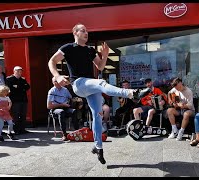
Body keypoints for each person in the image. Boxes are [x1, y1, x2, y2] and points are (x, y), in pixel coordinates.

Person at [47, 23, 137, 164]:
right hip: (78, 83)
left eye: (87, 31)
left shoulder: (90, 50)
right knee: (101, 83)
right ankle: (131, 93)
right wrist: (57, 76)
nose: (86, 33)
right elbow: (52, 61)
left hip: (90, 85)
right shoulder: (68, 48)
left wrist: (105, 55)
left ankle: (98, 147)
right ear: (75, 33)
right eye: (82, 31)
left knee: (97, 114)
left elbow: (100, 66)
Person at [47, 77, 79, 141]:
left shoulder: (65, 90)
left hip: (65, 107)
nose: (56, 83)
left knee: (74, 111)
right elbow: (49, 106)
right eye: (55, 81)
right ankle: (64, 134)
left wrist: (74, 101)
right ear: (53, 83)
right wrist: (61, 104)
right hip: (55, 108)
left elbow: (71, 98)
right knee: (61, 112)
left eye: (57, 81)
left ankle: (77, 131)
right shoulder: (52, 91)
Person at [5, 66, 31, 135]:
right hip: (15, 100)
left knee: (23, 115)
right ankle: (16, 130)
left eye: (21, 71)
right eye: (18, 71)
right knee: (16, 115)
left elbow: (27, 87)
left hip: (23, 100)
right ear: (14, 71)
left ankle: (22, 129)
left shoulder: (23, 79)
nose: (20, 73)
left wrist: (18, 87)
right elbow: (10, 89)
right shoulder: (9, 79)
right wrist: (21, 88)